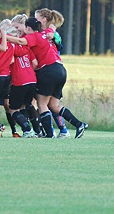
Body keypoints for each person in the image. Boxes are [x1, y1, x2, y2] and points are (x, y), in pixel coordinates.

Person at [7, 16, 88, 139]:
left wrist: (4, 37)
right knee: (54, 105)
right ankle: (79, 124)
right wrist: (53, 30)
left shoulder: (33, 36)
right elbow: (52, 27)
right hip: (61, 69)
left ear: (28, 28)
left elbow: (20, 42)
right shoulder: (46, 33)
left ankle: (50, 134)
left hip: (48, 70)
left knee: (42, 104)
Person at [35, 8, 69, 138]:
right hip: (55, 69)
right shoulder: (46, 32)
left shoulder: (51, 33)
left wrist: (53, 35)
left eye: (37, 18)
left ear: (44, 19)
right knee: (51, 104)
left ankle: (56, 130)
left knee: (48, 104)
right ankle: (59, 130)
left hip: (50, 70)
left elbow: (59, 46)